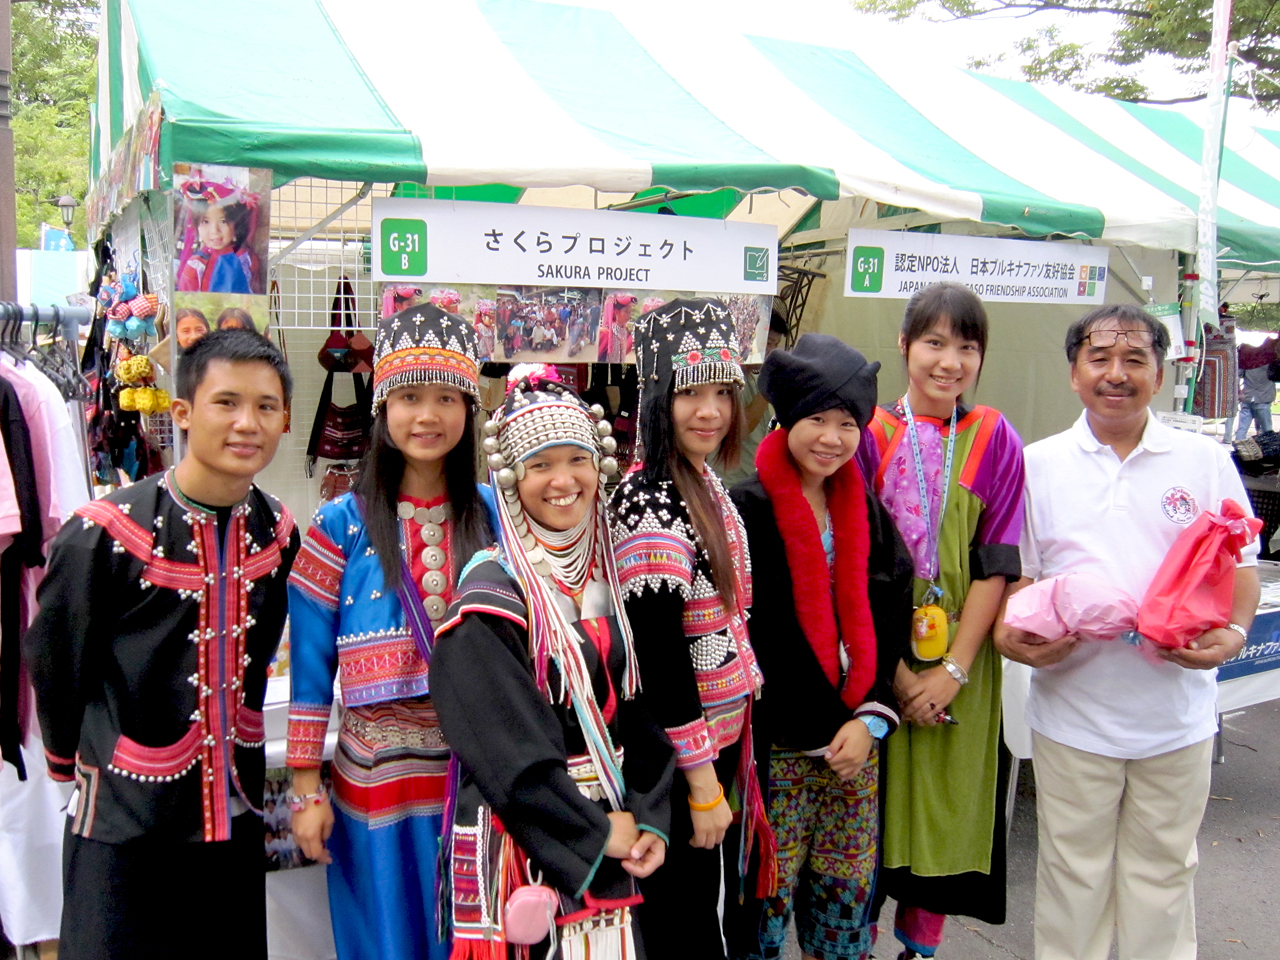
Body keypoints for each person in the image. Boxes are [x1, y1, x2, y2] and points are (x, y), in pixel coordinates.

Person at [23, 329, 298, 960]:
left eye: (265, 406)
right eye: (226, 402)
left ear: (284, 419)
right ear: (183, 411)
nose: (247, 423)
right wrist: (69, 766)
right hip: (124, 816)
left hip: (234, 809)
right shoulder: (104, 533)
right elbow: (56, 664)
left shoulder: (277, 530)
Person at [995, 304, 1258, 960]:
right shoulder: (1038, 464)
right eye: (1100, 358)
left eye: (1135, 359)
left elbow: (1242, 568)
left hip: (1176, 717)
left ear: (1160, 375)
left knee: (1163, 874)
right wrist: (1013, 635)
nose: (1117, 373)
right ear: (1074, 373)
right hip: (1072, 715)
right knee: (1072, 875)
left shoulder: (1204, 461)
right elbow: (1021, 579)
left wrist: (1234, 634)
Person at [432, 369, 675, 957]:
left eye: (577, 460)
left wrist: (649, 817)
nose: (563, 481)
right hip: (534, 837)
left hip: (611, 823)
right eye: (540, 465)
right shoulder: (490, 597)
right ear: (511, 479)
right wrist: (596, 831)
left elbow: (638, 711)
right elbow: (507, 754)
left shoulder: (607, 578)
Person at [285, 304, 492, 960]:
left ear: (469, 409)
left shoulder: (495, 516)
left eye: (445, 398)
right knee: (386, 937)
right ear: (382, 408)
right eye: (408, 397)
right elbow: (311, 666)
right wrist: (304, 789)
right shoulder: (339, 525)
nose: (427, 416)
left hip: (478, 777)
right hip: (376, 779)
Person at [855, 282, 1025, 960]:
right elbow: (852, 564)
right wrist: (897, 674)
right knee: (866, 817)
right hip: (875, 658)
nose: (950, 362)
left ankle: (916, 949)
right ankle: (853, 942)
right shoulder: (867, 434)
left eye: (967, 347)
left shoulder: (993, 436)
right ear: (904, 345)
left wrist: (952, 670)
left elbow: (997, 560)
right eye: (934, 342)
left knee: (945, 808)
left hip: (964, 659)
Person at [730, 335, 913, 960]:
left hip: (855, 744)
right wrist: (829, 723)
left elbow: (892, 619)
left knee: (844, 900)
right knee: (764, 900)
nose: (832, 438)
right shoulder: (744, 510)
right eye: (817, 420)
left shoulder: (867, 512)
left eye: (847, 423)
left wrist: (871, 719)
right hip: (778, 743)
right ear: (787, 419)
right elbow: (754, 634)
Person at [608, 298, 775, 960]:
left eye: (722, 392)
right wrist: (703, 780)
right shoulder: (648, 496)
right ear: (657, 398)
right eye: (689, 393)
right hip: (679, 762)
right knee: (684, 924)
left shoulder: (701, 481)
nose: (710, 411)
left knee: (702, 912)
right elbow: (660, 655)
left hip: (715, 744)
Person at [720, 309, 789, 487]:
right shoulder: (727, 379)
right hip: (729, 482)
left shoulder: (754, 378)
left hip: (750, 479)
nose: (772, 352)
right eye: (768, 343)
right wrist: (768, 387)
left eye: (776, 345)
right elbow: (740, 430)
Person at [177, 187, 260, 294]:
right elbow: (185, 298)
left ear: (236, 224)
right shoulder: (196, 265)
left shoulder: (246, 258)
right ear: (196, 225)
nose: (214, 231)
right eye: (205, 222)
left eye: (223, 221)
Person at [1234, 335, 1277, 440]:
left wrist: (1239, 392)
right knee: (1267, 431)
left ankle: (1238, 447)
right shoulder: (1269, 364)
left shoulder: (1247, 362)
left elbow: (1237, 375)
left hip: (1247, 398)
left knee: (1242, 429)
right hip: (1263, 399)